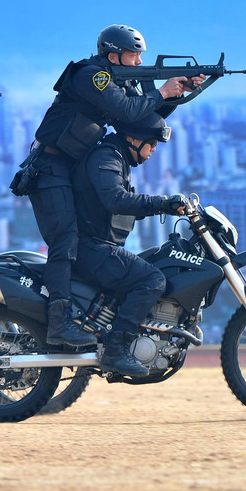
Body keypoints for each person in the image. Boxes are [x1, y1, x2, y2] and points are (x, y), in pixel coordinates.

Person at [18, 24, 203, 348]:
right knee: (65, 239)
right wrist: (162, 90)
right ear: (113, 53)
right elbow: (126, 110)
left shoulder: (119, 80)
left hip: (70, 165)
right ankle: (59, 321)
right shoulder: (92, 75)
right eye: (134, 54)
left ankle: (87, 311)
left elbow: (140, 119)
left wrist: (179, 93)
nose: (139, 60)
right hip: (51, 165)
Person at [71, 114, 187, 377]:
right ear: (134, 138)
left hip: (98, 245)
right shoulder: (106, 157)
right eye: (152, 144)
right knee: (152, 280)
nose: (153, 151)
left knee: (151, 264)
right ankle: (116, 351)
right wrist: (163, 203)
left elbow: (125, 203)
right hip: (90, 247)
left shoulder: (117, 158)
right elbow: (116, 200)